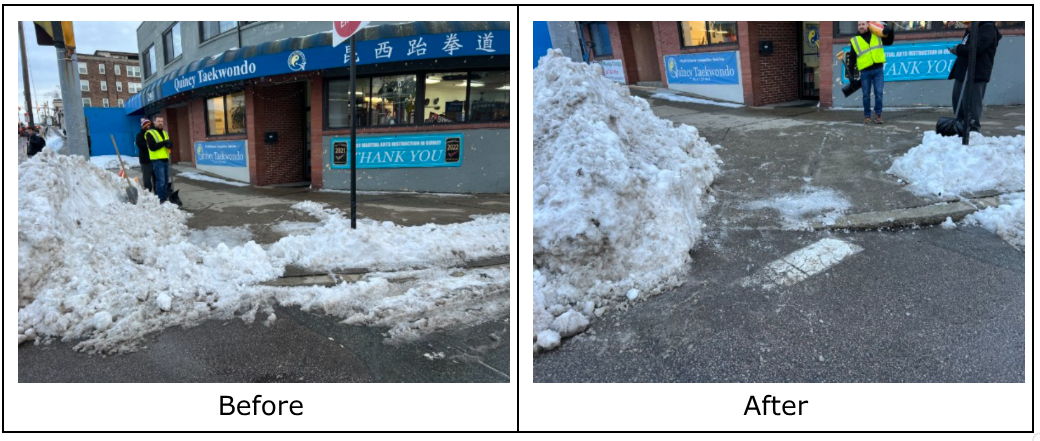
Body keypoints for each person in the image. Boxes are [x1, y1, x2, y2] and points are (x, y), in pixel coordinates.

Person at [948, 21, 1001, 133]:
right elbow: (966, 46)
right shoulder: (971, 30)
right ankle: (959, 126)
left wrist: (958, 49)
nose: (966, 25)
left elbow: (976, 48)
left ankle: (973, 130)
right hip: (962, 71)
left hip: (976, 72)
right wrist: (958, 48)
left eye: (968, 23)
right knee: (958, 101)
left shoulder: (988, 28)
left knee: (972, 103)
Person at [851, 21, 894, 124]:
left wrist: (891, 31)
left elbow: (889, 42)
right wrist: (851, 75)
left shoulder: (877, 35)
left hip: (878, 70)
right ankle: (867, 116)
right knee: (866, 95)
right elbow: (852, 58)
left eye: (863, 24)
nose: (861, 26)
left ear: (868, 25)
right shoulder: (855, 40)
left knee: (878, 94)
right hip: (865, 72)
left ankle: (878, 116)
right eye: (859, 25)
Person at [144, 116, 173, 203]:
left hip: (165, 159)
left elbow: (168, 144)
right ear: (154, 122)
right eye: (158, 121)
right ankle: (161, 199)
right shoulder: (150, 133)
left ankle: (164, 196)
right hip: (157, 160)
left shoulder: (165, 133)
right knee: (161, 181)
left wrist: (170, 145)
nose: (160, 123)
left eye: (162, 121)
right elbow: (152, 147)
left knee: (165, 180)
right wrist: (164, 143)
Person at [136, 118, 156, 193]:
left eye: (149, 125)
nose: (149, 127)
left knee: (156, 178)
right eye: (147, 126)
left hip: (155, 159)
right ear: (143, 127)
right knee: (147, 178)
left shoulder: (153, 133)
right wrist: (149, 144)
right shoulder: (139, 135)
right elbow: (140, 145)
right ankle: (148, 192)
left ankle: (157, 192)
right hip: (145, 160)